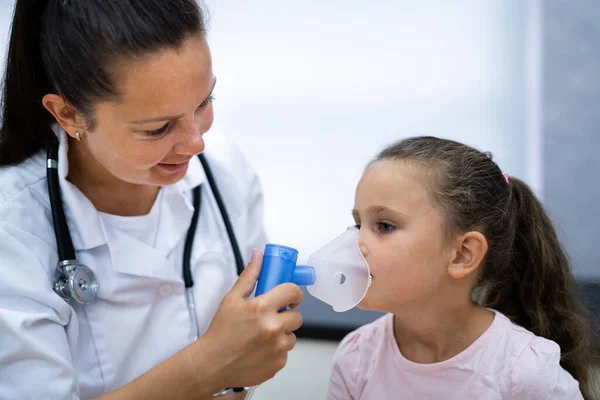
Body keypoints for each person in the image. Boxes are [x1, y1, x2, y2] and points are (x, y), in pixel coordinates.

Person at [0, 1, 304, 399]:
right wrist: (209, 364)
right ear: (69, 115)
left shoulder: (224, 168)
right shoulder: (13, 226)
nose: (196, 142)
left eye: (204, 102)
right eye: (159, 128)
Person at [327, 136, 599, 399]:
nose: (356, 244)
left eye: (385, 226)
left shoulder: (526, 372)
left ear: (462, 254)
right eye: (358, 225)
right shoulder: (356, 357)